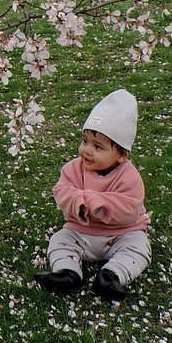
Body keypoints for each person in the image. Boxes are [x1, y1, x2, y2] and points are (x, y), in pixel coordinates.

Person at [34, 89, 152, 301]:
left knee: (139, 246)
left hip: (121, 233)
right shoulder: (73, 169)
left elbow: (128, 209)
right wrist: (78, 202)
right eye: (85, 141)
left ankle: (112, 275)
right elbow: (62, 192)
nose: (87, 150)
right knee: (61, 239)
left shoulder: (129, 176)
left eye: (98, 147)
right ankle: (68, 272)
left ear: (122, 153)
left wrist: (94, 201)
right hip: (81, 232)